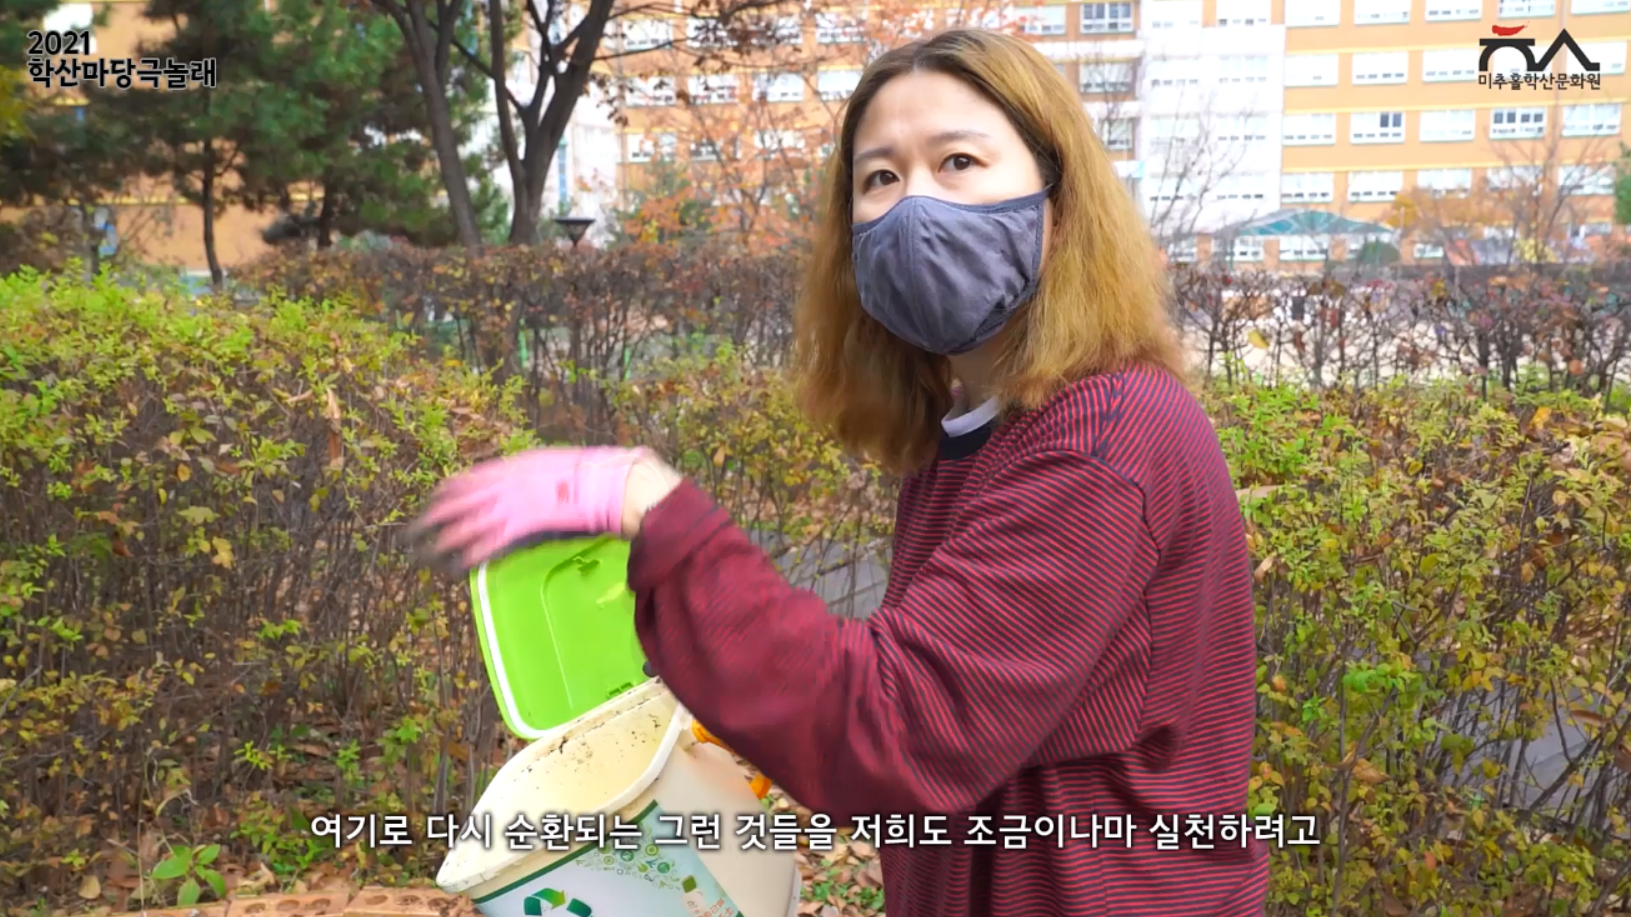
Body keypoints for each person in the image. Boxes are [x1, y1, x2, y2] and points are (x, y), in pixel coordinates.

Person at [413, 28, 1268, 917]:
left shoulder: (1103, 439)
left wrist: (658, 515)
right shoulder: (975, 429)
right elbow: (950, 691)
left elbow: (897, 728)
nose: (914, 207)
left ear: (1058, 199)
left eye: (959, 161)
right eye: (880, 178)